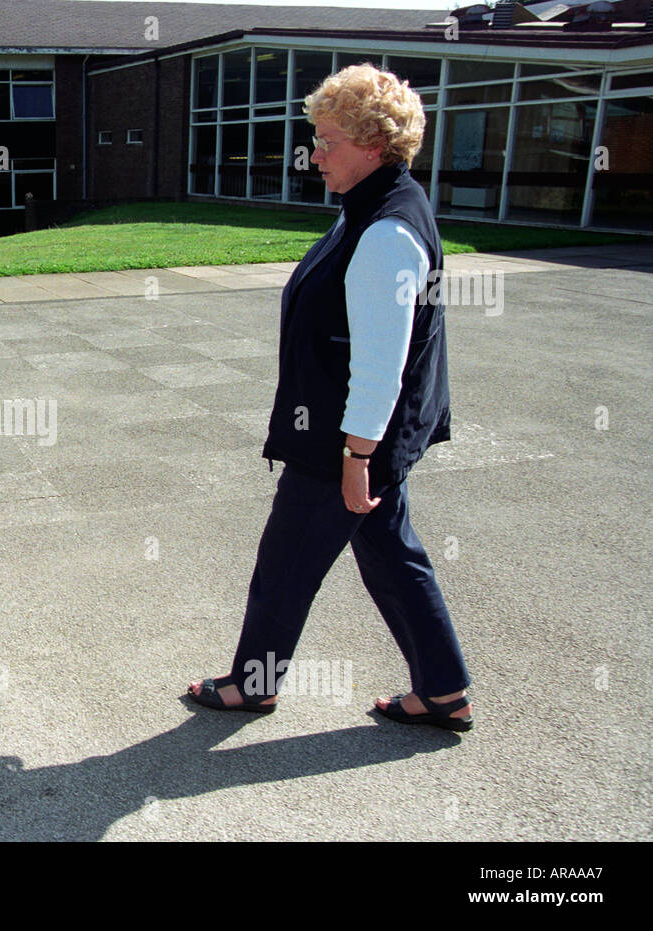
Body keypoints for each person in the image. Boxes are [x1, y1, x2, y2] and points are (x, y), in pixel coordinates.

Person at [187, 63, 472, 731]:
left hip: (345, 440)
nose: (314, 154)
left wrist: (355, 456)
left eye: (328, 141)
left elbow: (380, 364)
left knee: (286, 565)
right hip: (360, 436)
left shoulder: (385, 232)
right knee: (391, 558)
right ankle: (442, 689)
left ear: (373, 145)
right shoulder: (377, 207)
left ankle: (252, 684)